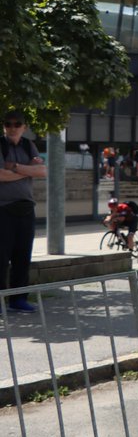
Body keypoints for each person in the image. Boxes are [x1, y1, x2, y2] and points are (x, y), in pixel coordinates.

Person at [1, 110, 47, 314]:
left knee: (22, 257)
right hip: (3, 208)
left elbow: (42, 171)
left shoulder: (29, 145)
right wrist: (27, 170)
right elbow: (0, 175)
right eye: (8, 124)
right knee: (1, 258)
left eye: (16, 124)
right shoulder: (0, 145)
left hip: (26, 209)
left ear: (24, 127)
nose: (12, 127)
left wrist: (16, 167)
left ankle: (18, 300)